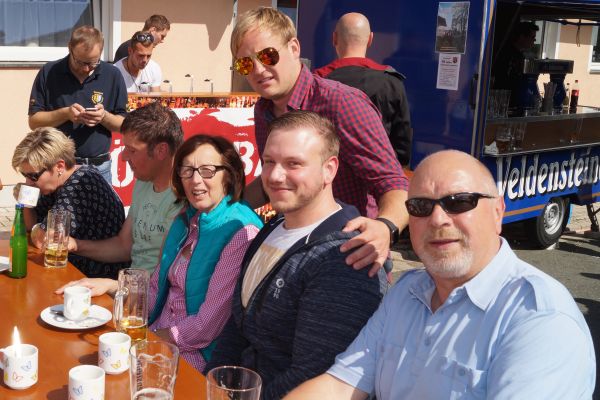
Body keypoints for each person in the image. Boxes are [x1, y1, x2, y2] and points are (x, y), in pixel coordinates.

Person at [284, 150, 596, 399]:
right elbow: (340, 386)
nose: (437, 219)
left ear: (497, 212)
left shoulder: (539, 319)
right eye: (421, 206)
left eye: (459, 202)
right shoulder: (406, 293)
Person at [206, 111, 386, 399]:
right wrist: (210, 386)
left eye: (294, 164)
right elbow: (237, 327)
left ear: (329, 169)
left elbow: (315, 375)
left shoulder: (346, 258)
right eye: (269, 162)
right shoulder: (272, 227)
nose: (275, 176)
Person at [60, 134, 263, 372]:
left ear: (229, 174)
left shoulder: (240, 231)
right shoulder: (188, 219)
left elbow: (205, 327)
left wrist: (147, 342)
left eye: (207, 171)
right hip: (157, 334)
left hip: (195, 357)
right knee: (75, 348)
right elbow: (156, 289)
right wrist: (112, 289)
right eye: (187, 171)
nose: (195, 180)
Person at [230, 7, 409, 274]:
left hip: (350, 254)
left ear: (294, 48)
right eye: (245, 63)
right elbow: (277, 180)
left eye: (267, 56)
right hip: (294, 250)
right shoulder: (263, 109)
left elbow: (394, 183)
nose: (258, 69)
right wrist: (223, 207)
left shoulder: (340, 103)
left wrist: (385, 228)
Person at [65, 101, 183, 273]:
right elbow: (124, 246)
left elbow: (167, 278)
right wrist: (74, 245)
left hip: (149, 288)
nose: (123, 157)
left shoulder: (184, 196)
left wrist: (114, 285)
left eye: (132, 150)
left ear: (161, 150)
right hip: (131, 282)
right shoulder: (144, 182)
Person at [12, 127, 127, 279]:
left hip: (98, 276)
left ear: (59, 166)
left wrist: (37, 230)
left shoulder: (81, 184)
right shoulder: (55, 184)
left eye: (33, 176)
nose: (28, 182)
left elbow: (43, 240)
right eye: (25, 175)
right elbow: (31, 227)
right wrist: (25, 201)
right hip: (75, 268)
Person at [28, 25, 127, 184]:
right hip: (58, 168)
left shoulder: (113, 75)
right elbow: (34, 122)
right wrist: (65, 114)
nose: (86, 69)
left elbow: (124, 126)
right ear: (70, 48)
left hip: (100, 168)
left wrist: (104, 117)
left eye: (93, 63)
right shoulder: (49, 72)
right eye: (80, 62)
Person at [314, 12, 412, 166]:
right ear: (370, 39)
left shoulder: (316, 82)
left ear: (334, 38)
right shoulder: (392, 82)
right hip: (377, 173)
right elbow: (402, 146)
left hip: (328, 173)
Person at [492, 21, 539, 106]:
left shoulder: (520, 55)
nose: (534, 40)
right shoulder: (506, 54)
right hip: (504, 101)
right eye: (532, 37)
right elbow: (505, 80)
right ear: (522, 37)